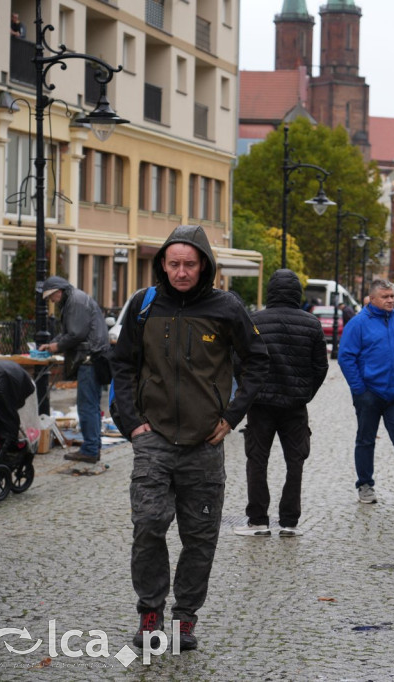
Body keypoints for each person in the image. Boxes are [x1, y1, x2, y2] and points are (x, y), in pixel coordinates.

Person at [110, 225, 269, 650]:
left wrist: (232, 416)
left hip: (205, 443)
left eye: (190, 264)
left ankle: (184, 620)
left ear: (204, 266)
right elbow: (121, 364)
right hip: (154, 439)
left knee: (200, 536)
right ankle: (150, 614)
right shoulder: (144, 306)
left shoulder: (226, 307)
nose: (181, 272)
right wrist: (131, 423)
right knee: (148, 525)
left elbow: (258, 362)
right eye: (174, 263)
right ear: (163, 263)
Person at [234, 269, 328, 538]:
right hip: (295, 405)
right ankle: (289, 521)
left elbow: (239, 359)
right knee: (295, 461)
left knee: (257, 460)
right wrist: (306, 392)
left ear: (271, 291)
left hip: (260, 404)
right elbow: (320, 366)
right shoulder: (311, 324)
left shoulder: (254, 321)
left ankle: (258, 520)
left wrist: (248, 389)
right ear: (297, 292)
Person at [337, 279, 394, 505]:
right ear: (372, 298)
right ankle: (365, 485)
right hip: (369, 393)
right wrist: (359, 389)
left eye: (392, 296)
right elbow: (346, 357)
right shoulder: (358, 324)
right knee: (366, 440)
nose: (390, 300)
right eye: (385, 297)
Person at [39, 276, 110, 465]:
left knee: (87, 406)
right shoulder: (75, 299)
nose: (52, 301)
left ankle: (90, 449)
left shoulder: (75, 301)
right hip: (93, 357)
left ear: (58, 291)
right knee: (91, 405)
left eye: (51, 297)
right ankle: (93, 447)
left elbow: (76, 334)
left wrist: (55, 347)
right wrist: (53, 343)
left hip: (89, 358)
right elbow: (73, 331)